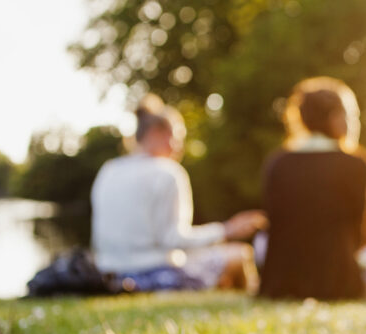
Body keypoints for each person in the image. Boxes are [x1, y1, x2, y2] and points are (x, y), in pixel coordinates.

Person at [257, 77, 366, 300]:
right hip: (338, 282)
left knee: (260, 240)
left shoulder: (277, 162)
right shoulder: (356, 163)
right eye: (350, 116)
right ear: (334, 118)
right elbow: (357, 232)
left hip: (282, 282)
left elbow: (275, 224)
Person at [91, 95, 265, 292]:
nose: (179, 147)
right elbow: (173, 239)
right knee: (240, 255)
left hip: (109, 275)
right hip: (156, 274)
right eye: (177, 137)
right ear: (157, 133)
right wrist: (226, 230)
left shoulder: (109, 170)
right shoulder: (167, 172)